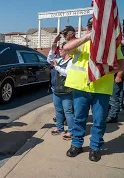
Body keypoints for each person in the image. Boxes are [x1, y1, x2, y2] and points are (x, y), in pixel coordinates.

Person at [64, 17, 124, 162]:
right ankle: (76, 145)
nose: (94, 29)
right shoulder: (81, 42)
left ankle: (95, 147)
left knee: (99, 120)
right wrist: (87, 37)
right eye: (91, 26)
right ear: (87, 28)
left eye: (97, 26)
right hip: (81, 87)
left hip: (101, 88)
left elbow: (121, 66)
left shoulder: (112, 45)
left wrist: (101, 73)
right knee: (79, 118)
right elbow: (66, 48)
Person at [47, 40, 74, 140]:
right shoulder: (60, 60)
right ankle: (60, 128)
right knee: (58, 110)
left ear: (67, 50)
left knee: (68, 111)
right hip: (56, 90)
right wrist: (52, 49)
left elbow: (67, 73)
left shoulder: (71, 61)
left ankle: (71, 131)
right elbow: (50, 59)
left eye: (62, 49)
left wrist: (56, 67)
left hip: (66, 91)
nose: (60, 51)